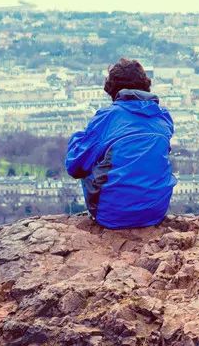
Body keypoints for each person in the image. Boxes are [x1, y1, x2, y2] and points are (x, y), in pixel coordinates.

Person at [65, 58, 176, 229]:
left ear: (111, 90)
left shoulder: (108, 117)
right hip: (155, 212)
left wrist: (79, 137)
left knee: (91, 160)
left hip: (111, 215)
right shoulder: (162, 117)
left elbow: (74, 166)